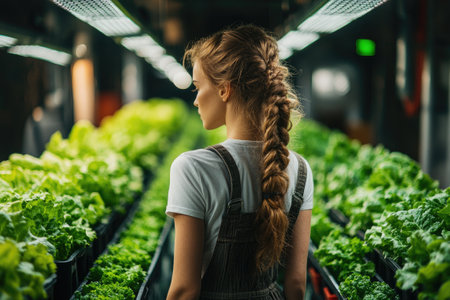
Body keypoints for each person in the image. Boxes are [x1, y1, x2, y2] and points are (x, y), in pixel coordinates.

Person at [165, 24, 313, 300]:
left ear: (224, 89)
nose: (196, 100)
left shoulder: (192, 168)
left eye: (198, 87)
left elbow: (185, 289)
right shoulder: (300, 170)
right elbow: (295, 283)